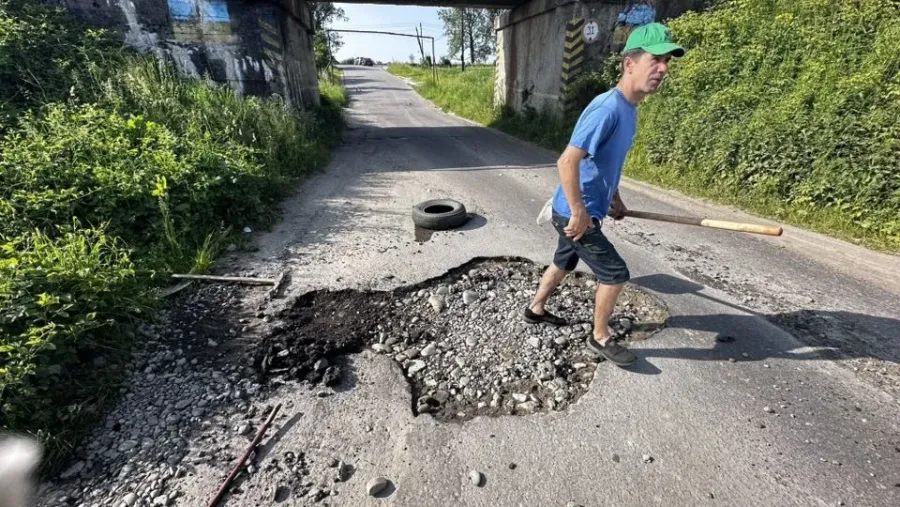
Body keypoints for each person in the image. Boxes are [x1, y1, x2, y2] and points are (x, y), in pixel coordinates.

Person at [524, 23, 685, 366]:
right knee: (615, 273)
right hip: (574, 213)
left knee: (563, 262)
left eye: (668, 62)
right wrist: (581, 212)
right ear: (630, 64)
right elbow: (567, 160)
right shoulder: (608, 108)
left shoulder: (629, 109)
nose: (663, 69)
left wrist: (615, 198)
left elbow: (603, 165)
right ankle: (600, 337)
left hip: (580, 209)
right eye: (656, 60)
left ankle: (535, 308)